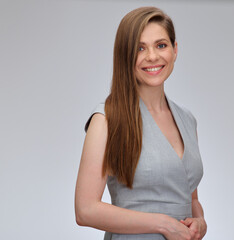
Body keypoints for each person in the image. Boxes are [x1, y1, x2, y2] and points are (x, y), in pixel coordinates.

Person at [75, 6, 206, 240]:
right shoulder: (106, 119)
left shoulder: (187, 120)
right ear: (125, 55)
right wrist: (164, 224)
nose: (152, 56)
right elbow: (85, 210)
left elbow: (191, 198)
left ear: (175, 50)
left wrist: (200, 221)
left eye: (161, 45)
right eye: (139, 48)